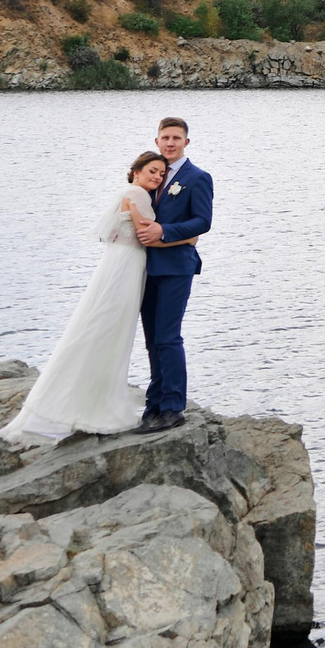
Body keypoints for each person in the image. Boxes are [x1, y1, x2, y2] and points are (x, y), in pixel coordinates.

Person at [0, 152, 164, 443]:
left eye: (162, 174)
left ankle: (86, 399)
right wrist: (186, 237)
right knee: (111, 330)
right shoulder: (137, 193)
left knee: (105, 327)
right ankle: (91, 404)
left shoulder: (130, 192)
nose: (157, 177)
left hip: (121, 261)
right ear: (136, 171)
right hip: (126, 265)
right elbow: (144, 232)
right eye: (152, 170)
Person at [132, 115, 212, 433]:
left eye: (176, 138)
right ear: (157, 141)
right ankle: (154, 404)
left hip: (177, 267)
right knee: (153, 340)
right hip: (144, 268)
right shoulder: (151, 175)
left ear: (186, 142)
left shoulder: (197, 177)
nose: (170, 143)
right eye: (165, 137)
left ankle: (173, 407)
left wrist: (165, 231)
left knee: (168, 337)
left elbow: (202, 222)